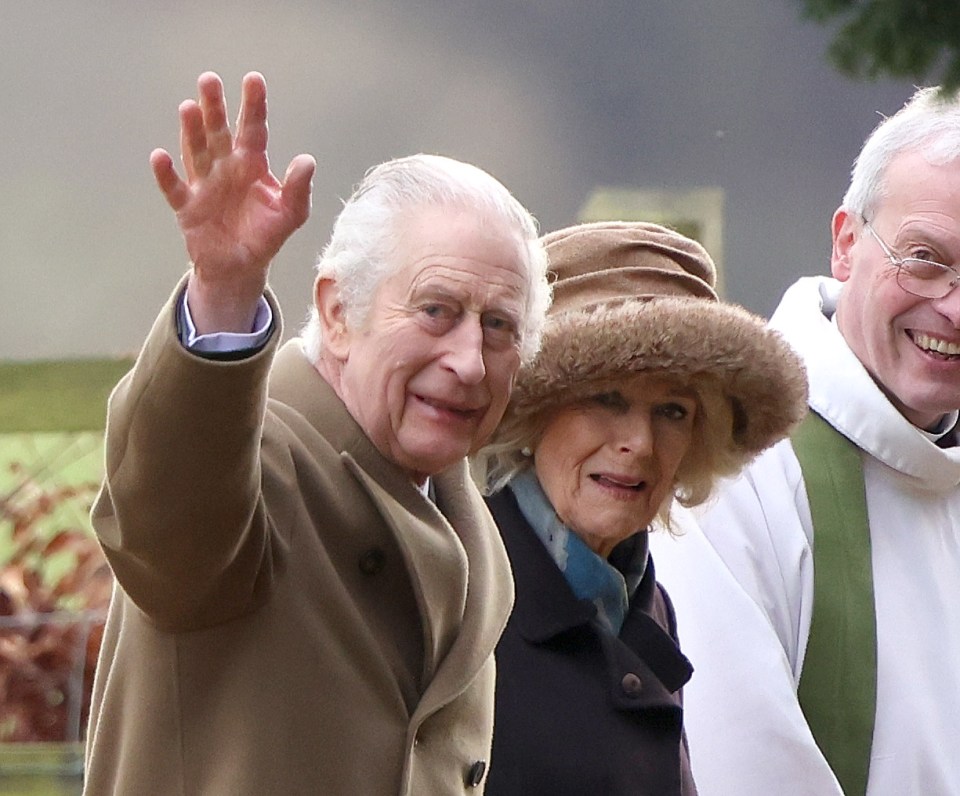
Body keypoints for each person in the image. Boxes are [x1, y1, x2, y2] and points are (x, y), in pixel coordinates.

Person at [82, 71, 551, 795]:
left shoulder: (467, 528)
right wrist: (224, 291)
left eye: (498, 327)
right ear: (337, 312)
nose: (468, 361)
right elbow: (168, 520)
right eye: (436, 310)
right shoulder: (257, 464)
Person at [651, 85, 960, 796]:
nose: (953, 303)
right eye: (924, 258)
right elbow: (736, 766)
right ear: (847, 243)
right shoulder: (736, 462)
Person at [474, 221, 807, 795]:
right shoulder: (461, 589)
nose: (642, 444)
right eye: (608, 399)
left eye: (673, 411)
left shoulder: (644, 603)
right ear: (533, 411)